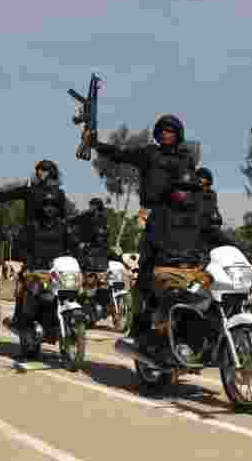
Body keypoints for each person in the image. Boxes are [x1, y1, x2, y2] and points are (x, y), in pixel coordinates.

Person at [82, 114, 197, 323]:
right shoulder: (149, 153)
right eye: (162, 130)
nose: (165, 134)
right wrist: (96, 144)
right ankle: (140, 319)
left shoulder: (186, 158)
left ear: (178, 134)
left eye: (170, 131)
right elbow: (120, 154)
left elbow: (194, 188)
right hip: (152, 215)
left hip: (181, 218)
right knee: (148, 268)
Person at [133, 169, 238, 355]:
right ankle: (168, 340)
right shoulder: (159, 214)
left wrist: (243, 252)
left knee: (215, 294)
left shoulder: (198, 215)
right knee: (183, 296)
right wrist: (145, 272)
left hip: (194, 271)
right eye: (180, 189)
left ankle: (206, 340)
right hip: (167, 270)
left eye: (189, 189)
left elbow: (217, 236)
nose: (184, 193)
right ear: (172, 191)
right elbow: (148, 247)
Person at [0, 160, 73, 331]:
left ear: (51, 173)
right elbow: (5, 195)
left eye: (43, 170)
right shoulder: (32, 191)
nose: (39, 173)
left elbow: (64, 219)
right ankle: (19, 317)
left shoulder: (58, 194)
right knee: (24, 280)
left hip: (52, 239)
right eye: (37, 170)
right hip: (31, 239)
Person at [71, 198, 111, 321]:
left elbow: (105, 235)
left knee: (103, 283)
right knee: (87, 282)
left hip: (100, 253)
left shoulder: (103, 218)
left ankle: (101, 306)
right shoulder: (85, 216)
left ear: (98, 206)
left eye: (93, 205)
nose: (91, 207)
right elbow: (73, 222)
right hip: (87, 252)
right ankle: (85, 306)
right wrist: (78, 240)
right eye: (90, 205)